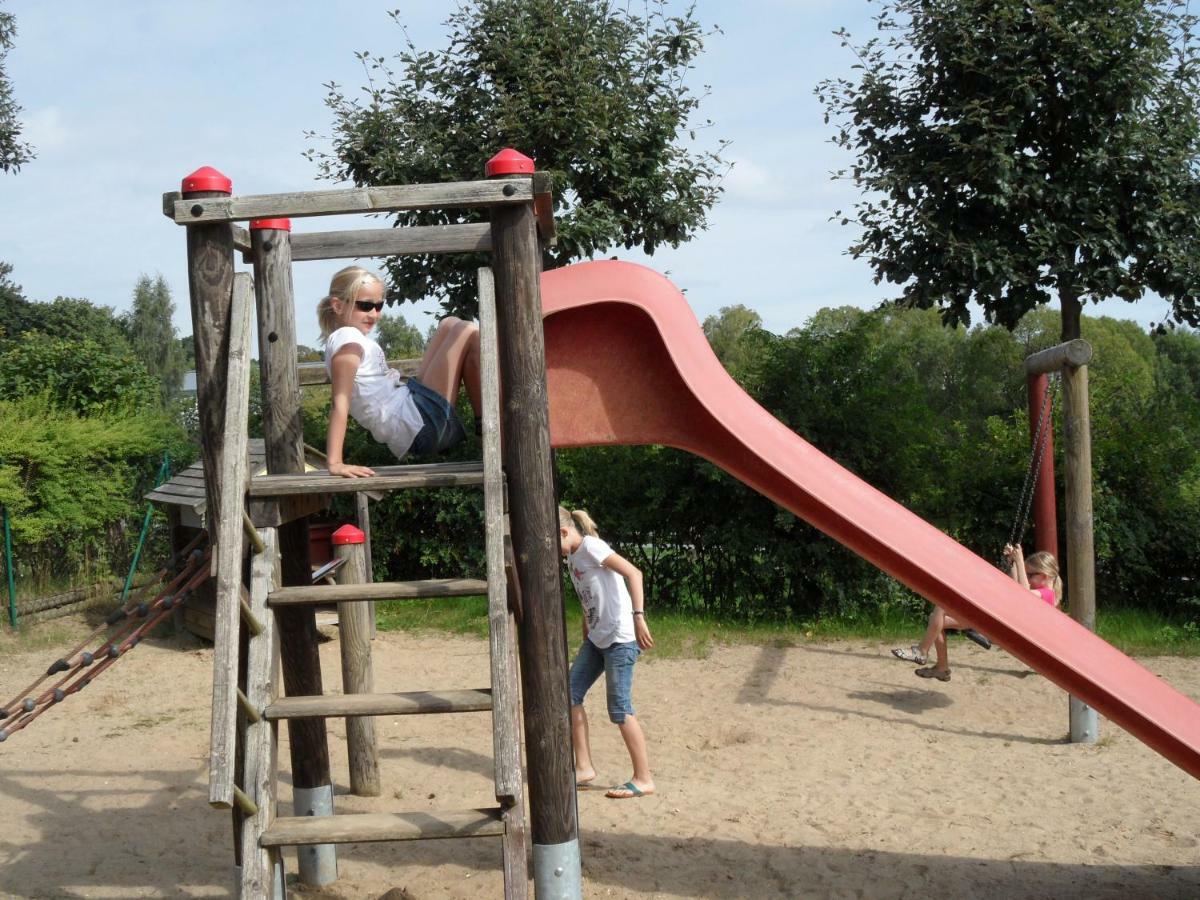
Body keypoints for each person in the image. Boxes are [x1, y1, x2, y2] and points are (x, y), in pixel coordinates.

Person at [317, 265, 482, 478]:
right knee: (467, 330)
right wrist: (335, 463)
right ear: (338, 306)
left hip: (413, 414)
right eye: (365, 305)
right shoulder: (347, 339)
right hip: (418, 424)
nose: (374, 314)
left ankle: (484, 425)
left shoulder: (350, 339)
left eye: (379, 306)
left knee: (449, 324)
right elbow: (340, 402)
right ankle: (488, 428)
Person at [559, 506, 656, 799]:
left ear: (564, 532)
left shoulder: (592, 546)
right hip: (597, 640)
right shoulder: (572, 556)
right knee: (569, 694)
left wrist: (638, 615)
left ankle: (643, 778)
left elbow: (634, 573)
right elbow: (588, 596)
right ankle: (584, 767)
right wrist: (586, 630)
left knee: (620, 709)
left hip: (621, 639)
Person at [891, 544, 1062, 682]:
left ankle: (921, 651)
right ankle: (942, 668)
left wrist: (1019, 560)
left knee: (942, 606)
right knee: (937, 620)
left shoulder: (1048, 595)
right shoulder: (1040, 591)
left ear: (1045, 575)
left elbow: (1024, 594)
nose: (1029, 579)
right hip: (998, 625)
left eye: (1030, 574)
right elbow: (1016, 587)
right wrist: (1013, 562)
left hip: (1001, 628)